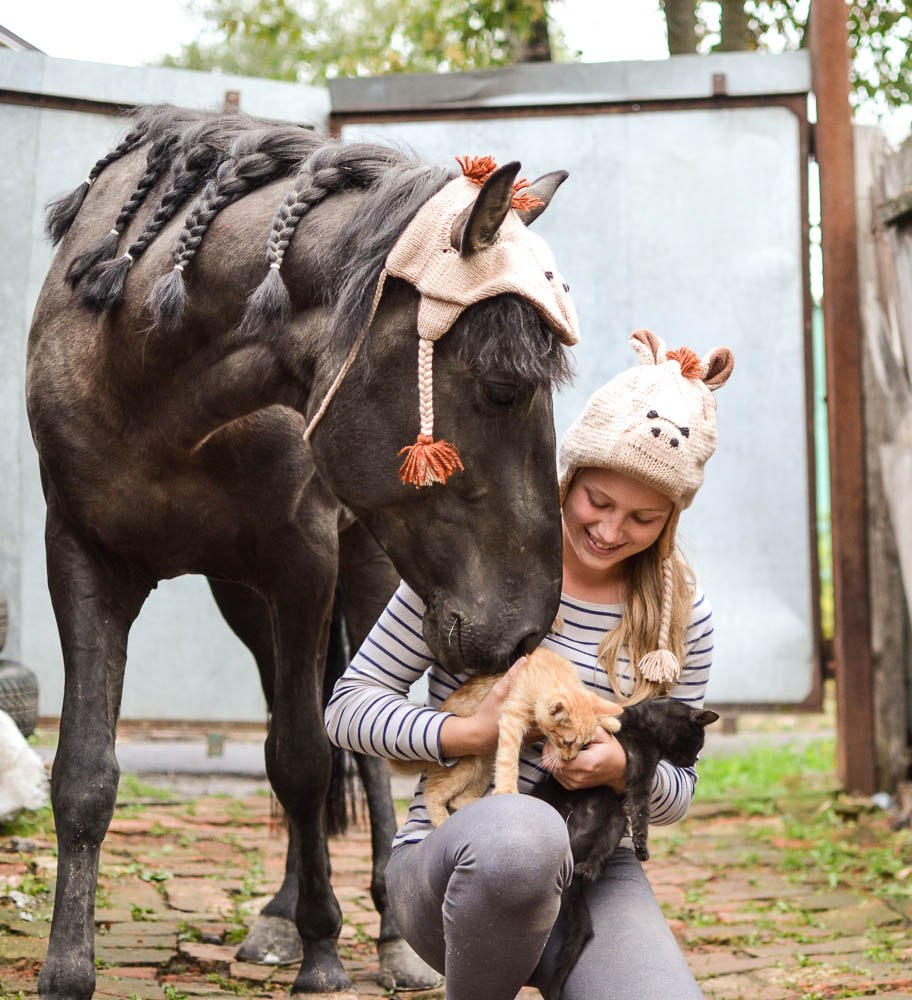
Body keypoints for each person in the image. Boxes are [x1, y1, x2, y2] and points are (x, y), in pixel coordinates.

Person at [325, 328, 734, 1000]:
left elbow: (681, 789)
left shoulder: (679, 619)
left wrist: (626, 768)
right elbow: (345, 711)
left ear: (670, 520)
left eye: (643, 519)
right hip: (460, 863)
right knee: (524, 835)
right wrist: (470, 732)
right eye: (597, 502)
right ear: (567, 474)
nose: (609, 530)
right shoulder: (472, 569)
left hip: (595, 880)